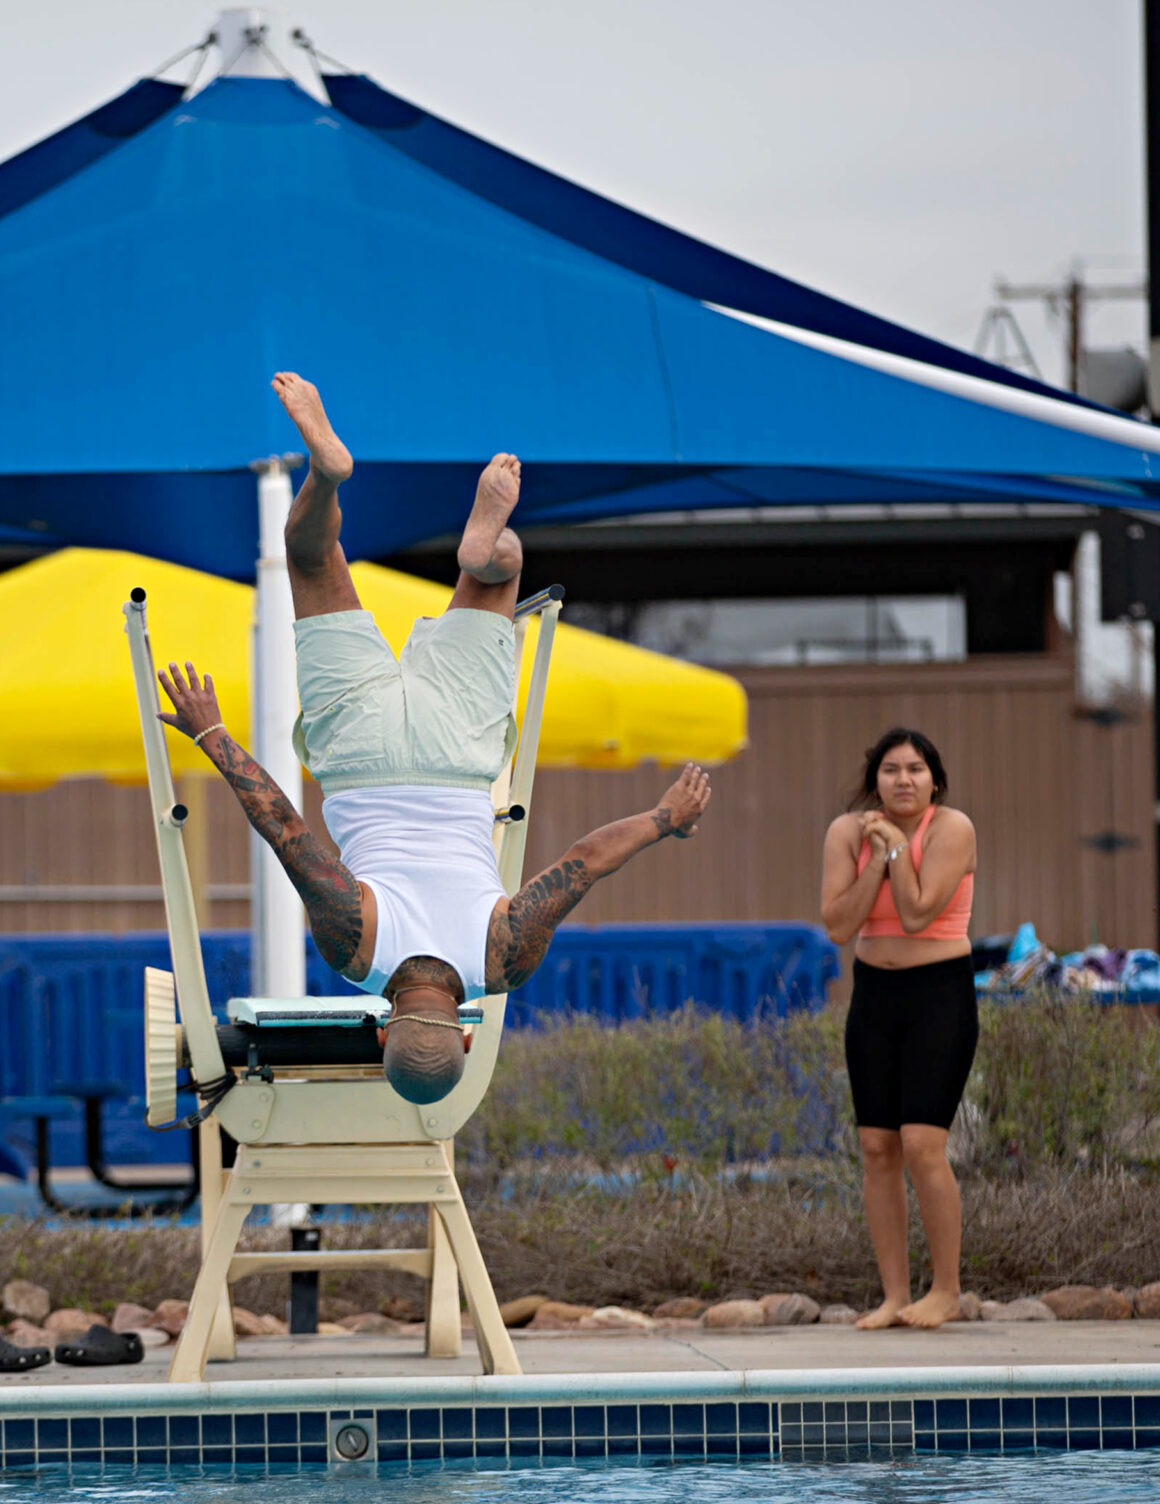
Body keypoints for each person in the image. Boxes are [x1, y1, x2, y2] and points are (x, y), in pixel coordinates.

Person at [154, 372, 713, 1104]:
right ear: (384, 1032)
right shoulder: (354, 948)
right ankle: (327, 475)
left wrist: (665, 818)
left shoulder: (503, 959)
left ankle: (485, 550)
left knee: (503, 571)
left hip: (458, 748)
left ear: (466, 1034)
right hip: (360, 754)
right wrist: (212, 734)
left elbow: (583, 861)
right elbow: (285, 829)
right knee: (309, 556)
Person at [820, 728, 977, 1330]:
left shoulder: (952, 829)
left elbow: (916, 913)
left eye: (915, 769)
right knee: (877, 1148)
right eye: (891, 770)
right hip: (874, 997)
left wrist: (896, 852)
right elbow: (839, 926)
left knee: (921, 1144)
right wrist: (879, 855)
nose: (903, 779)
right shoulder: (847, 833)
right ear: (875, 781)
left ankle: (946, 1290)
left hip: (939, 995)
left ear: (934, 780)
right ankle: (893, 1295)